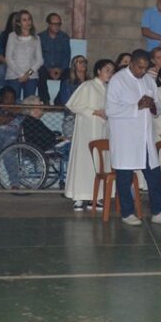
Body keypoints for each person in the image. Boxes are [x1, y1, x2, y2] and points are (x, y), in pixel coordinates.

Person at [106, 49, 161, 226]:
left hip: (145, 138)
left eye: (146, 68)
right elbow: (110, 110)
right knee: (125, 177)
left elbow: (158, 108)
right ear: (131, 63)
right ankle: (127, 213)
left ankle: (158, 212)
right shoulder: (118, 80)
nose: (143, 71)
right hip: (126, 138)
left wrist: (153, 106)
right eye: (140, 67)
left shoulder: (149, 80)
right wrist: (136, 106)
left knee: (154, 177)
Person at [65, 59, 114, 211]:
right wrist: (94, 112)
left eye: (112, 71)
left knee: (100, 162)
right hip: (86, 131)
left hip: (103, 130)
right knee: (84, 162)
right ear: (98, 71)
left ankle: (97, 197)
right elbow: (73, 105)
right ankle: (79, 197)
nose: (110, 73)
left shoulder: (110, 89)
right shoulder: (87, 85)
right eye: (107, 70)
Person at [5, 9, 42, 99]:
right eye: (24, 20)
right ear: (18, 23)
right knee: (14, 102)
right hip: (14, 75)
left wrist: (28, 74)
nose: (28, 22)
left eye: (29, 19)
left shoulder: (36, 38)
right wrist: (21, 74)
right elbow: (9, 58)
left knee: (29, 103)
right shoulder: (12, 36)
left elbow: (39, 60)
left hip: (31, 76)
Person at [37, 13, 71, 104]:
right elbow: (39, 56)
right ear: (49, 24)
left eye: (59, 24)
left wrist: (61, 69)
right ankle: (45, 101)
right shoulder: (40, 37)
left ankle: (59, 101)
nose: (57, 26)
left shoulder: (64, 37)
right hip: (46, 68)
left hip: (60, 69)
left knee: (69, 73)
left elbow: (67, 56)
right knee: (40, 71)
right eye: (54, 24)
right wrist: (49, 69)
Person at [0, 11, 18, 91]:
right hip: (7, 63)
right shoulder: (4, 35)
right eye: (15, 20)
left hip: (23, 66)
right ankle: (3, 92)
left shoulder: (27, 37)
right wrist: (10, 64)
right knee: (0, 69)